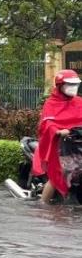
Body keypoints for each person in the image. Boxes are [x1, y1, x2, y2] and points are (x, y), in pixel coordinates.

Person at [33, 69, 82, 203]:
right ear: (60, 86)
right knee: (57, 175)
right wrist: (58, 131)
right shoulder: (51, 103)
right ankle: (43, 204)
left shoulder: (79, 102)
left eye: (75, 85)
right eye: (70, 85)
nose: (73, 88)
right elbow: (47, 123)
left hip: (77, 144)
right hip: (58, 145)